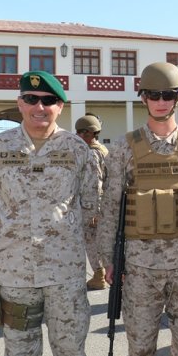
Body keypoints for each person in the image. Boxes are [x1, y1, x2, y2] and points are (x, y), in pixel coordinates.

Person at [99, 62, 178, 356]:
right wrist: (108, 260)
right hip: (140, 268)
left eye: (168, 95)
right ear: (143, 98)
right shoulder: (124, 148)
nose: (161, 102)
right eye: (154, 95)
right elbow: (111, 207)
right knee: (140, 347)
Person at [0, 71, 99, 356]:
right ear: (20, 103)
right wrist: (10, 237)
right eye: (31, 99)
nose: (39, 107)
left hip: (65, 273)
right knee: (20, 352)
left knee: (70, 350)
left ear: (60, 107)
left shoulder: (77, 149)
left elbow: (90, 205)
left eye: (48, 100)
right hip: (15, 274)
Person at [75, 114, 109, 291]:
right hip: (97, 205)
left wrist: (95, 212)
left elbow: (95, 184)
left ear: (91, 133)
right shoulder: (101, 149)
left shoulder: (92, 153)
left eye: (82, 132)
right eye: (78, 132)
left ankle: (99, 274)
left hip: (91, 206)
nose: (79, 136)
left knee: (92, 242)